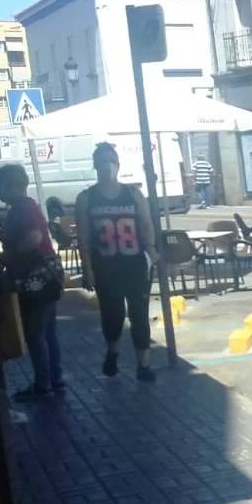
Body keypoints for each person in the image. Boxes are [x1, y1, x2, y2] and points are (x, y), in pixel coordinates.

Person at [76, 143, 159, 382]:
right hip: (106, 267)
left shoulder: (133, 194)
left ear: (119, 164)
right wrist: (87, 269)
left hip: (135, 265)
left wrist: (151, 250)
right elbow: (84, 237)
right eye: (102, 161)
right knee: (112, 316)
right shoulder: (87, 198)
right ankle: (112, 352)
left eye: (111, 160)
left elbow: (146, 224)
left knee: (139, 315)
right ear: (95, 166)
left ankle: (143, 365)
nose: (107, 166)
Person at [0, 163, 64, 400]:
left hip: (35, 280)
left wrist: (10, 254)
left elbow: (34, 238)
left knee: (36, 335)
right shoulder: (29, 206)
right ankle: (55, 379)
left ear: (10, 186)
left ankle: (43, 385)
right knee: (48, 333)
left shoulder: (21, 209)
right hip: (48, 277)